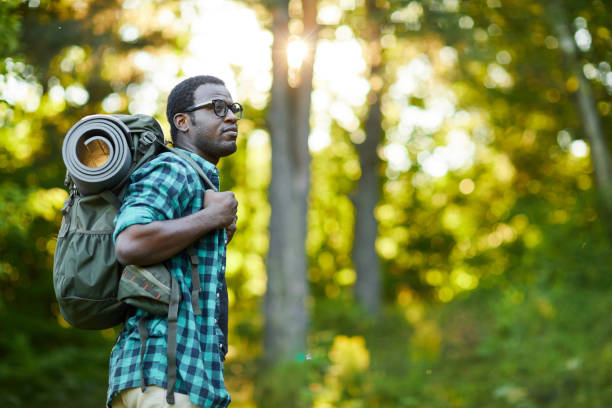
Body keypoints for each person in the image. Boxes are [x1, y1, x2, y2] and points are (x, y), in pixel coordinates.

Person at [107, 75, 241, 408]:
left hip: (177, 382)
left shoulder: (196, 182)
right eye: (217, 107)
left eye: (233, 108)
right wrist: (211, 218)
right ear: (182, 121)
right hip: (161, 381)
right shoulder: (172, 168)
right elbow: (129, 243)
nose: (232, 117)